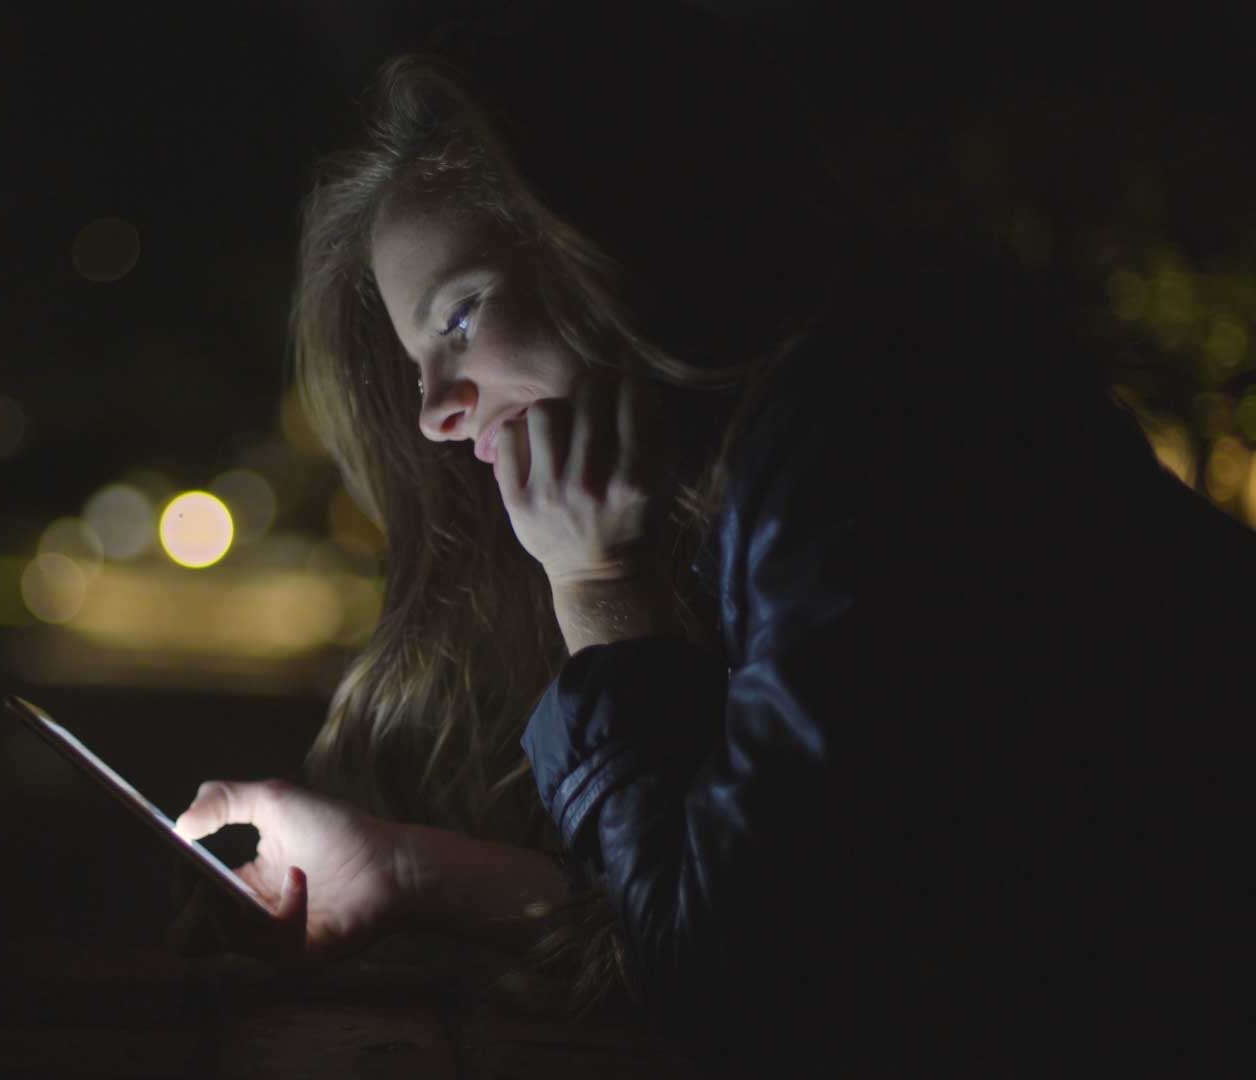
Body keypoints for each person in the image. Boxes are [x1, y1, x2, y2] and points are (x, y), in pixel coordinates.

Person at [170, 2, 1255, 1073]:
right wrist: (404, 872)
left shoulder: (876, 428)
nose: (436, 413)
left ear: (613, 234)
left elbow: (749, 985)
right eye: (419, 365)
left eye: (459, 317)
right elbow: (765, 909)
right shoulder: (791, 439)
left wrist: (600, 593)